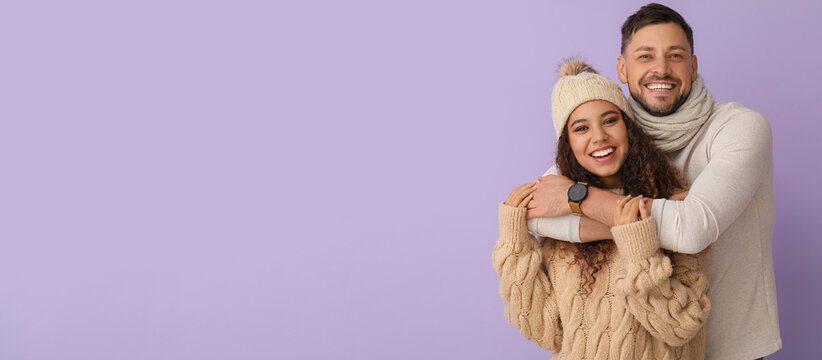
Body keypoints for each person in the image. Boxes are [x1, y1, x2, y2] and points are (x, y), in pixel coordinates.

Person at [526, 4, 780, 360]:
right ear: (622, 69)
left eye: (675, 56)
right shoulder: (612, 127)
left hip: (732, 349)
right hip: (650, 349)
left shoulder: (739, 128)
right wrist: (628, 222)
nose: (661, 69)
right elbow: (537, 211)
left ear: (693, 66)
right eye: (645, 56)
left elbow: (693, 231)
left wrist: (578, 197)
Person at [494, 58, 710, 359]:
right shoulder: (558, 216)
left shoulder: (674, 204)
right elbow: (545, 331)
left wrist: (639, 250)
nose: (599, 137)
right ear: (567, 143)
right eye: (581, 128)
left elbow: (681, 326)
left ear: (628, 128)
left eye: (610, 120)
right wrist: (515, 244)